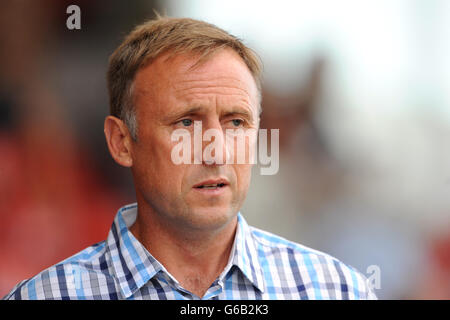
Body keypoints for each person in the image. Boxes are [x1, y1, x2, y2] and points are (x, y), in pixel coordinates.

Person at [3, 16, 376, 300]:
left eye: (236, 122)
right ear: (121, 142)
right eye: (186, 123)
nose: (215, 151)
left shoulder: (338, 290)